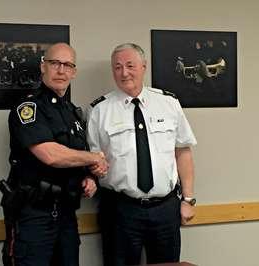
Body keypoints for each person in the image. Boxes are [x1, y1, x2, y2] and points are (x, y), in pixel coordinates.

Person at [87, 43, 197, 266]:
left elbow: (183, 152)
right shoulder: (99, 110)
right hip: (120, 211)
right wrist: (93, 170)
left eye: (130, 65)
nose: (124, 72)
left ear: (144, 67)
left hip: (165, 209)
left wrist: (188, 199)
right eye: (117, 67)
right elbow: (91, 159)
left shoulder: (169, 103)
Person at [0, 42, 108, 266]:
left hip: (67, 215)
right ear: (43, 66)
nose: (61, 70)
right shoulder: (28, 109)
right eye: (55, 63)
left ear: (74, 72)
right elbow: (51, 155)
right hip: (34, 215)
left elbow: (78, 157)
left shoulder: (73, 114)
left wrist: (90, 177)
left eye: (68, 65)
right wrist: (94, 158)